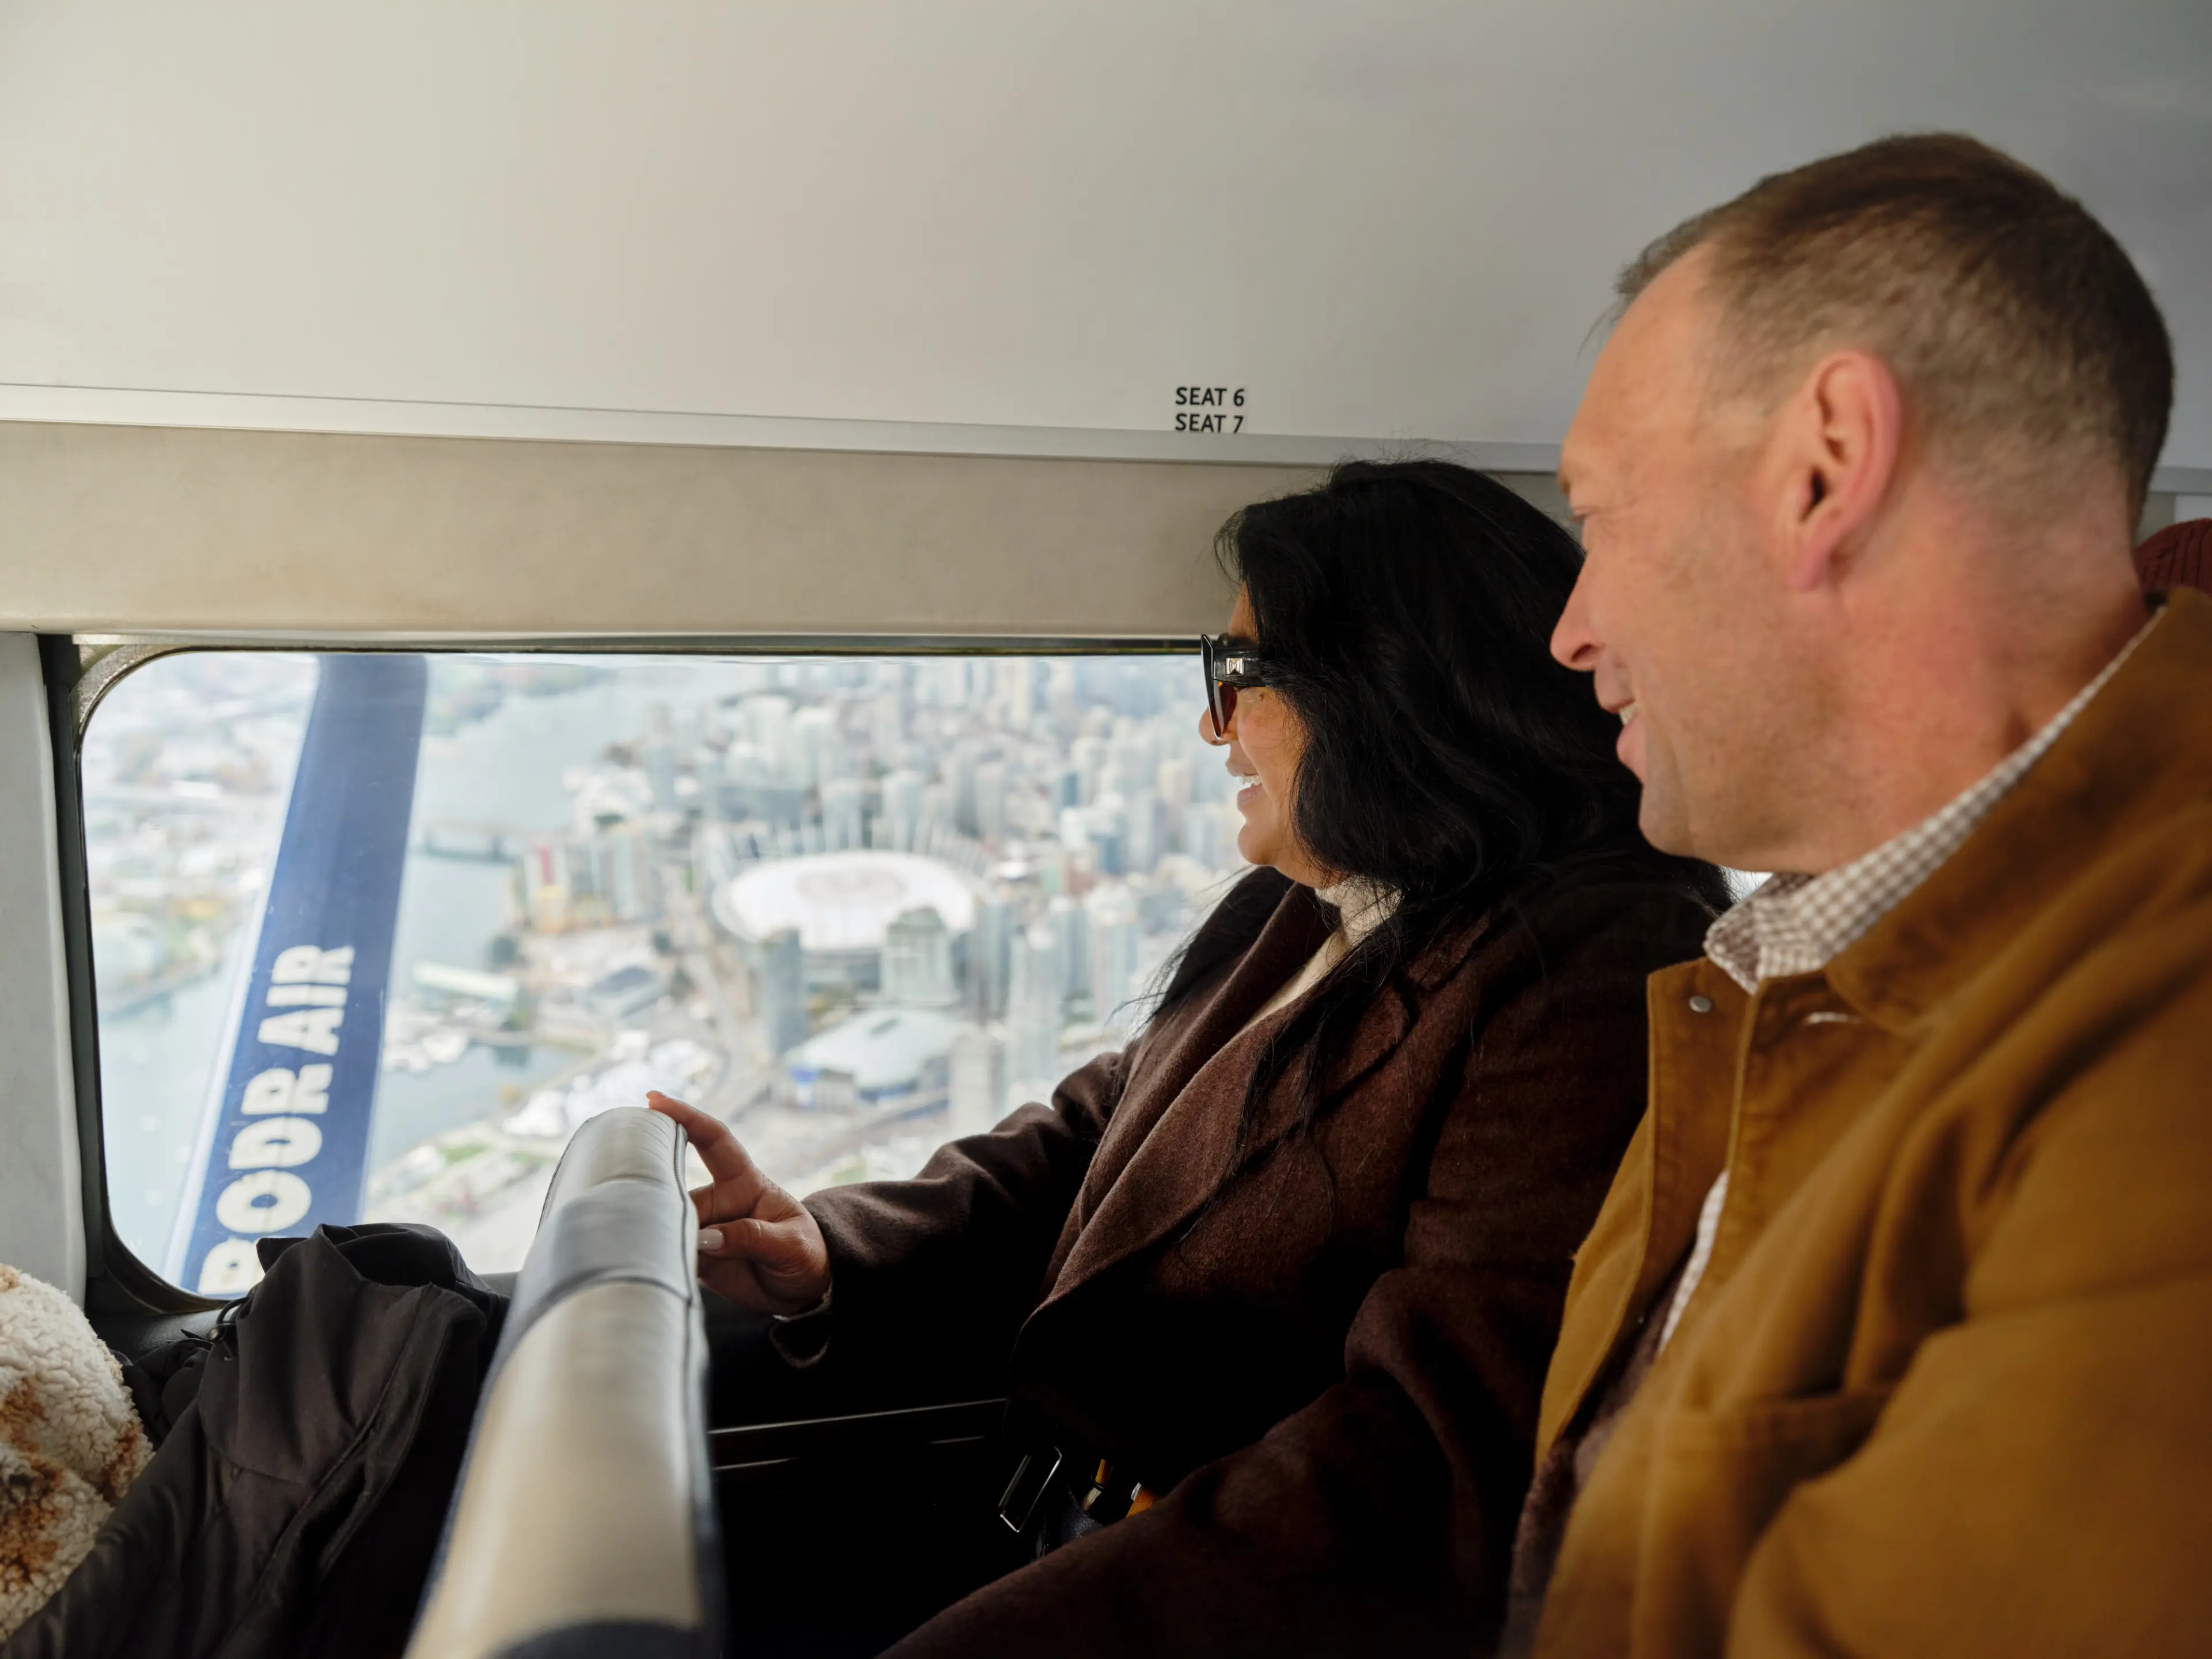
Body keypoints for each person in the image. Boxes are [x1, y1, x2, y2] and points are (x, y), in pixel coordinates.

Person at [650, 459, 1727, 1656]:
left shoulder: (1586, 977)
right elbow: (1107, 1129)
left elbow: (1422, 1460)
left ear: (1386, 693)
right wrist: (827, 1252)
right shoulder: (1323, 900)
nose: (1213, 722)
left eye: (1241, 677)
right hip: (1037, 1524)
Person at [1499, 134, 2212, 1658]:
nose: (1571, 630)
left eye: (1596, 516)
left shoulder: (2170, 1031)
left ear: (1826, 468)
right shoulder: (1775, 969)